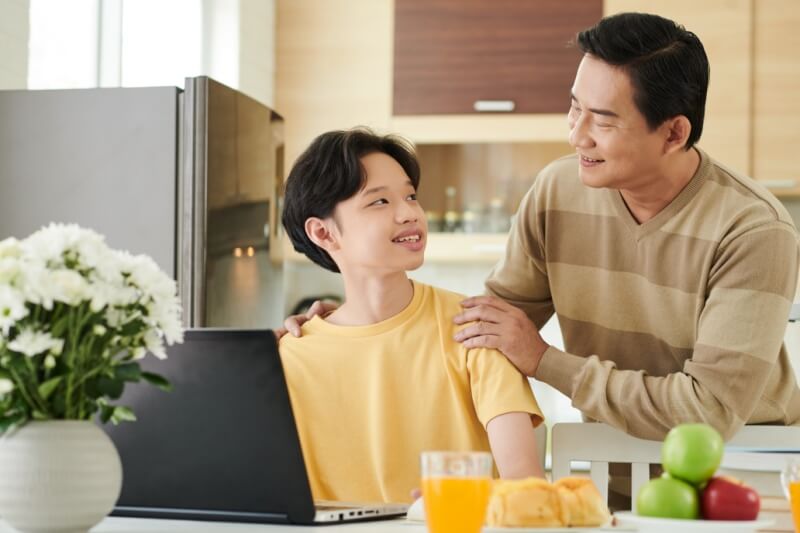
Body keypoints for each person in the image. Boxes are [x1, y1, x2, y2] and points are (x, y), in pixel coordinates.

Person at [283, 12, 800, 442]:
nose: (576, 135)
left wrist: (545, 360)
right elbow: (483, 331)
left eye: (602, 120)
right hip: (612, 460)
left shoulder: (754, 230)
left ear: (673, 133)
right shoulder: (558, 191)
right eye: (574, 107)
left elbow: (708, 412)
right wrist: (356, 324)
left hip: (745, 469)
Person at [277, 128, 544, 504]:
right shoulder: (289, 358)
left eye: (411, 196)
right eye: (380, 202)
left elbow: (525, 485)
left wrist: (454, 502)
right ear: (323, 232)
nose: (409, 214)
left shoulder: (474, 328)